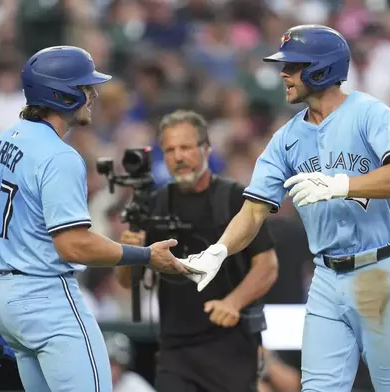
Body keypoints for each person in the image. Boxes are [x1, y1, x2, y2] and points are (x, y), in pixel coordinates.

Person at [183, 25, 390, 391]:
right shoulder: (287, 138)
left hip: (380, 270)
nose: (283, 74)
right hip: (326, 278)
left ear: (321, 69)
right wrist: (219, 250)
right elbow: (253, 211)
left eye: (293, 66)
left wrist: (340, 185)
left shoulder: (369, 112)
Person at [0, 46, 199, 392]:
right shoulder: (59, 156)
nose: (92, 94)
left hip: (6, 299)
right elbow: (73, 245)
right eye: (84, 87)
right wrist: (147, 256)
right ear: (61, 95)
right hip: (47, 297)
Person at [116, 109, 278, 392]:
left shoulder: (234, 198)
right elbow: (126, 281)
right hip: (175, 350)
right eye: (169, 150)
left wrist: (233, 303)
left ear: (206, 148)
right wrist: (130, 253)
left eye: (186, 147)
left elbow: (267, 265)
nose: (178, 157)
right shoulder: (153, 204)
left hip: (231, 346)